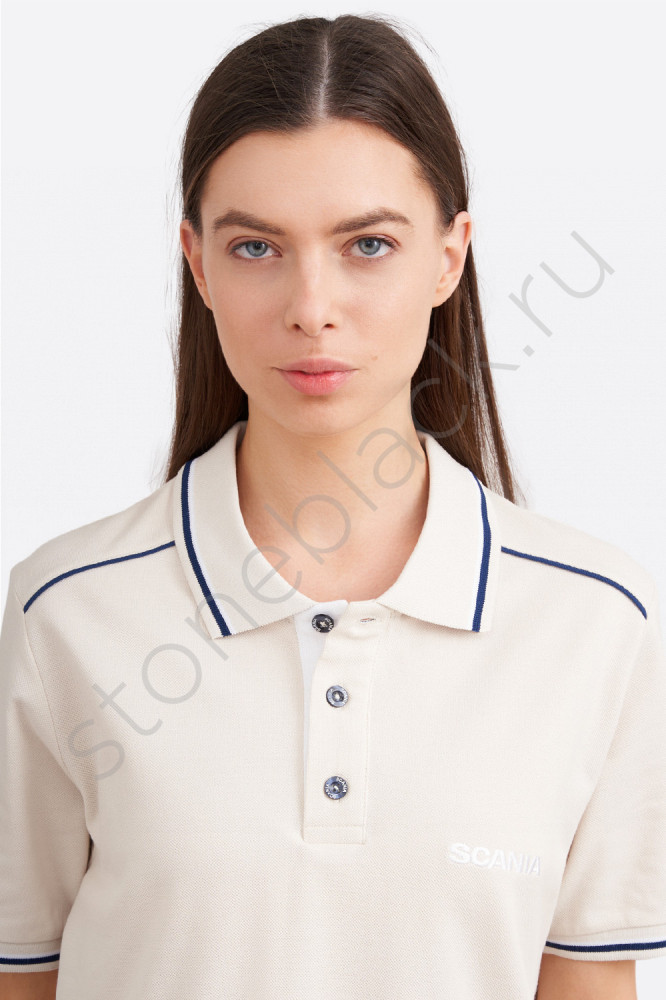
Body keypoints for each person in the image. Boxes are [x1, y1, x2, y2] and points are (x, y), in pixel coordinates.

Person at [1, 13, 664, 1000]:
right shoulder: (63, 611)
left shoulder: (597, 622)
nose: (312, 306)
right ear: (197, 262)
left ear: (449, 256)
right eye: (256, 247)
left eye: (368, 244)